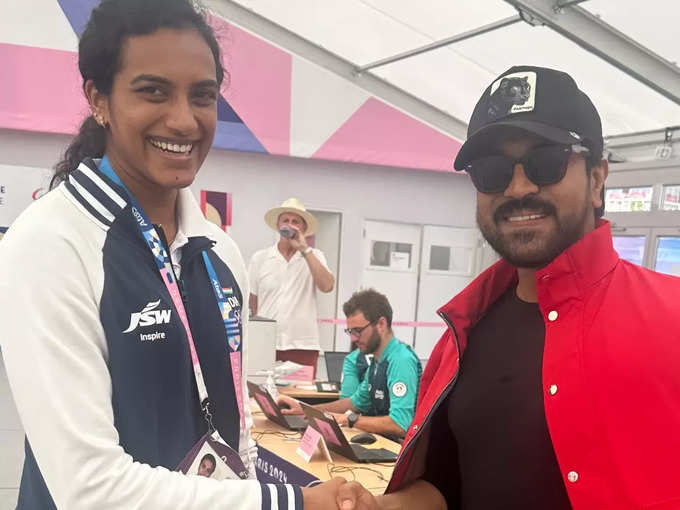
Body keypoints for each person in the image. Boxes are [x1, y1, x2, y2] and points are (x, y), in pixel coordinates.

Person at [0, 1, 347, 508]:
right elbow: (88, 488)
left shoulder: (218, 252)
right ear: (98, 99)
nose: (184, 120)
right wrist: (288, 504)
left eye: (202, 96)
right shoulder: (49, 245)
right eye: (153, 91)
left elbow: (237, 432)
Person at [336, 66, 680, 510]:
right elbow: (445, 486)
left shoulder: (671, 320)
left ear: (597, 178)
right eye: (491, 171)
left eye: (547, 162)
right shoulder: (461, 336)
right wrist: (375, 507)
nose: (518, 187)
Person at [278, 289, 422, 438]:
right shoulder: (377, 361)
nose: (353, 339)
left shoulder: (401, 360)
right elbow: (355, 402)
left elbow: (400, 424)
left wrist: (348, 419)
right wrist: (306, 410)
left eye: (358, 331)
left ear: (381, 324)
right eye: (351, 332)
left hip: (400, 451)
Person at [248, 198, 334, 377]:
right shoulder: (260, 258)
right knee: (262, 397)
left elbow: (327, 286)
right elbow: (252, 302)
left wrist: (304, 249)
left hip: (303, 345)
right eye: (285, 220)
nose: (290, 225)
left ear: (303, 229)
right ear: (278, 225)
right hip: (266, 344)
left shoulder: (314, 256)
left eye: (296, 222)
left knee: (300, 399)